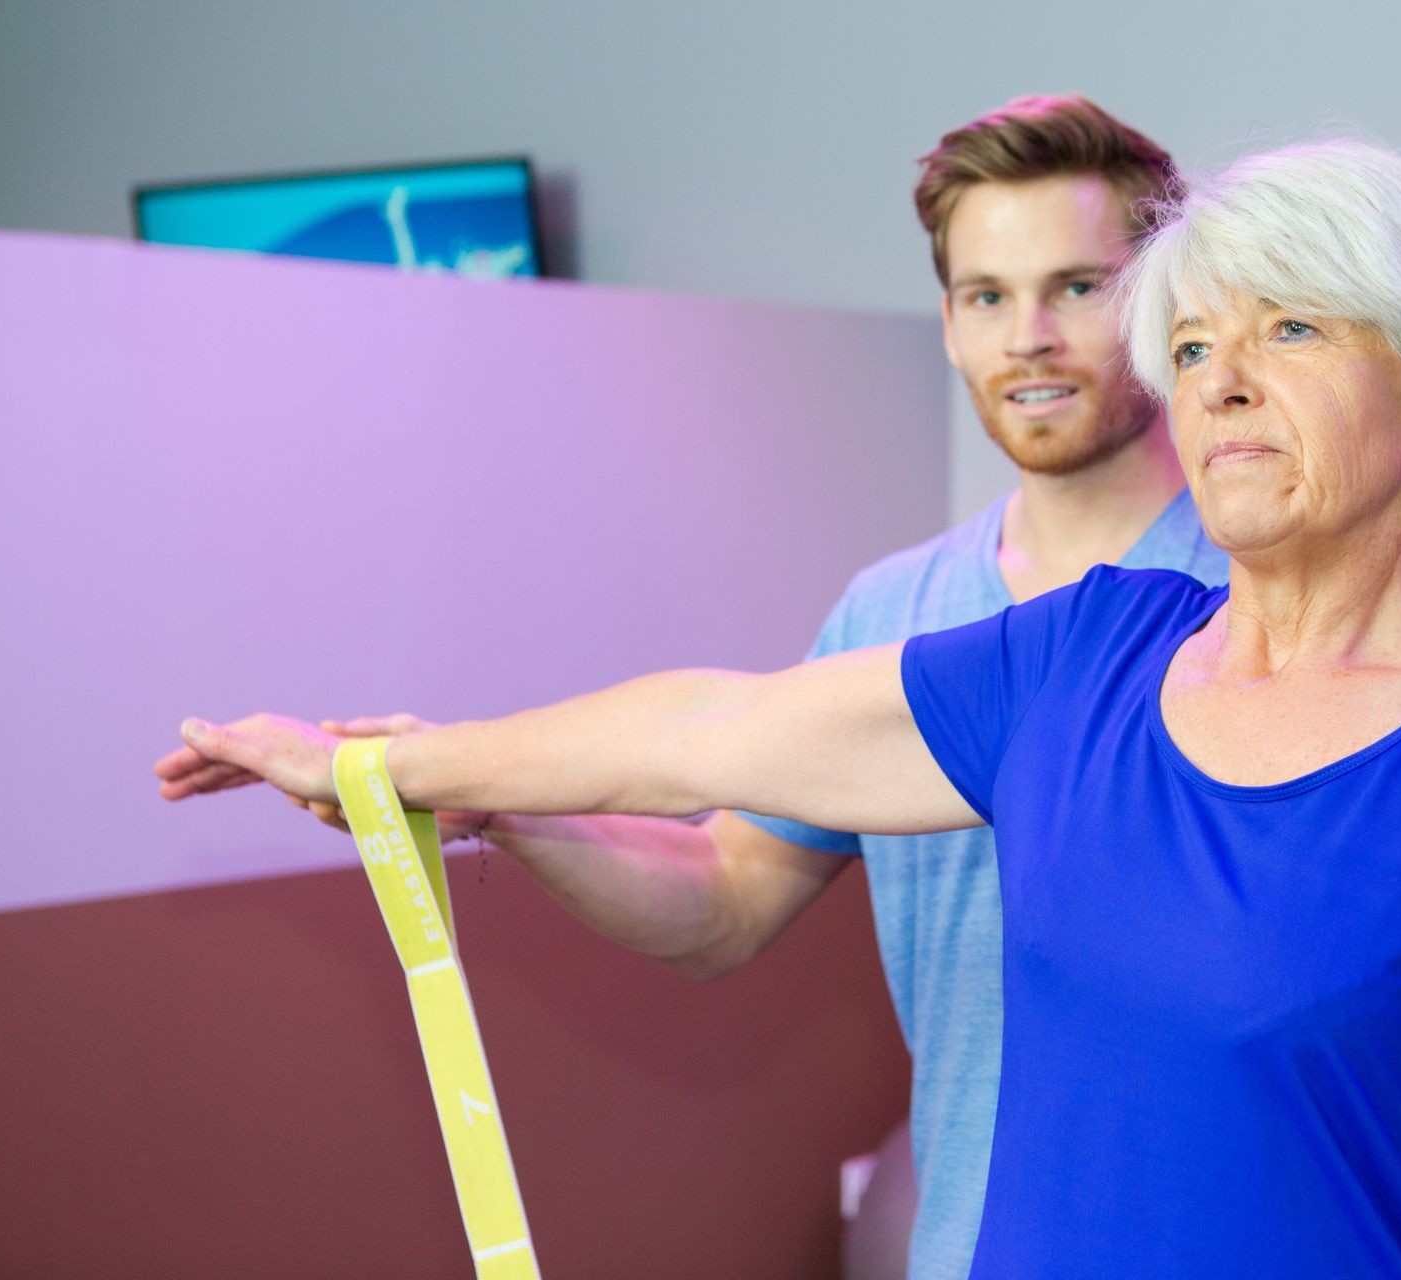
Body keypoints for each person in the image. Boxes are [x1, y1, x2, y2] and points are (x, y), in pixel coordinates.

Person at [158, 136, 1401, 1277]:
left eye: (1292, 331)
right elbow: (708, 734)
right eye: (1201, 341)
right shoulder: (1077, 658)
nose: (1221, 381)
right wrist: (397, 765)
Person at [334, 94, 1217, 1280]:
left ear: (1166, 308)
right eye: (987, 296)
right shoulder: (890, 611)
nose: (1030, 338)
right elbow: (724, 895)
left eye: (1078, 287)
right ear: (949, 325)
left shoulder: (1262, 592)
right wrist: (504, 805)